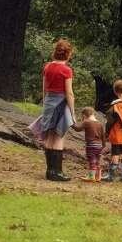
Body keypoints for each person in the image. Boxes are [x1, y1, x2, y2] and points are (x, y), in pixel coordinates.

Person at [31, 38, 76, 181]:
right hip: (61, 104)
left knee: (50, 137)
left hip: (49, 103)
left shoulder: (47, 67)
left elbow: (44, 89)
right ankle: (57, 172)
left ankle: (50, 171)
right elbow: (69, 93)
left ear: (55, 52)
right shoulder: (66, 70)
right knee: (58, 137)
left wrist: (46, 105)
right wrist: (72, 111)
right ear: (68, 54)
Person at [72, 107, 106, 182]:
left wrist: (71, 123)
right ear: (93, 114)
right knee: (97, 161)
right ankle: (98, 177)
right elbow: (103, 135)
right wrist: (103, 144)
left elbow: (78, 129)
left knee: (92, 160)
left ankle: (91, 177)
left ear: (84, 115)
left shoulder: (87, 122)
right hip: (99, 145)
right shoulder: (99, 123)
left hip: (91, 145)